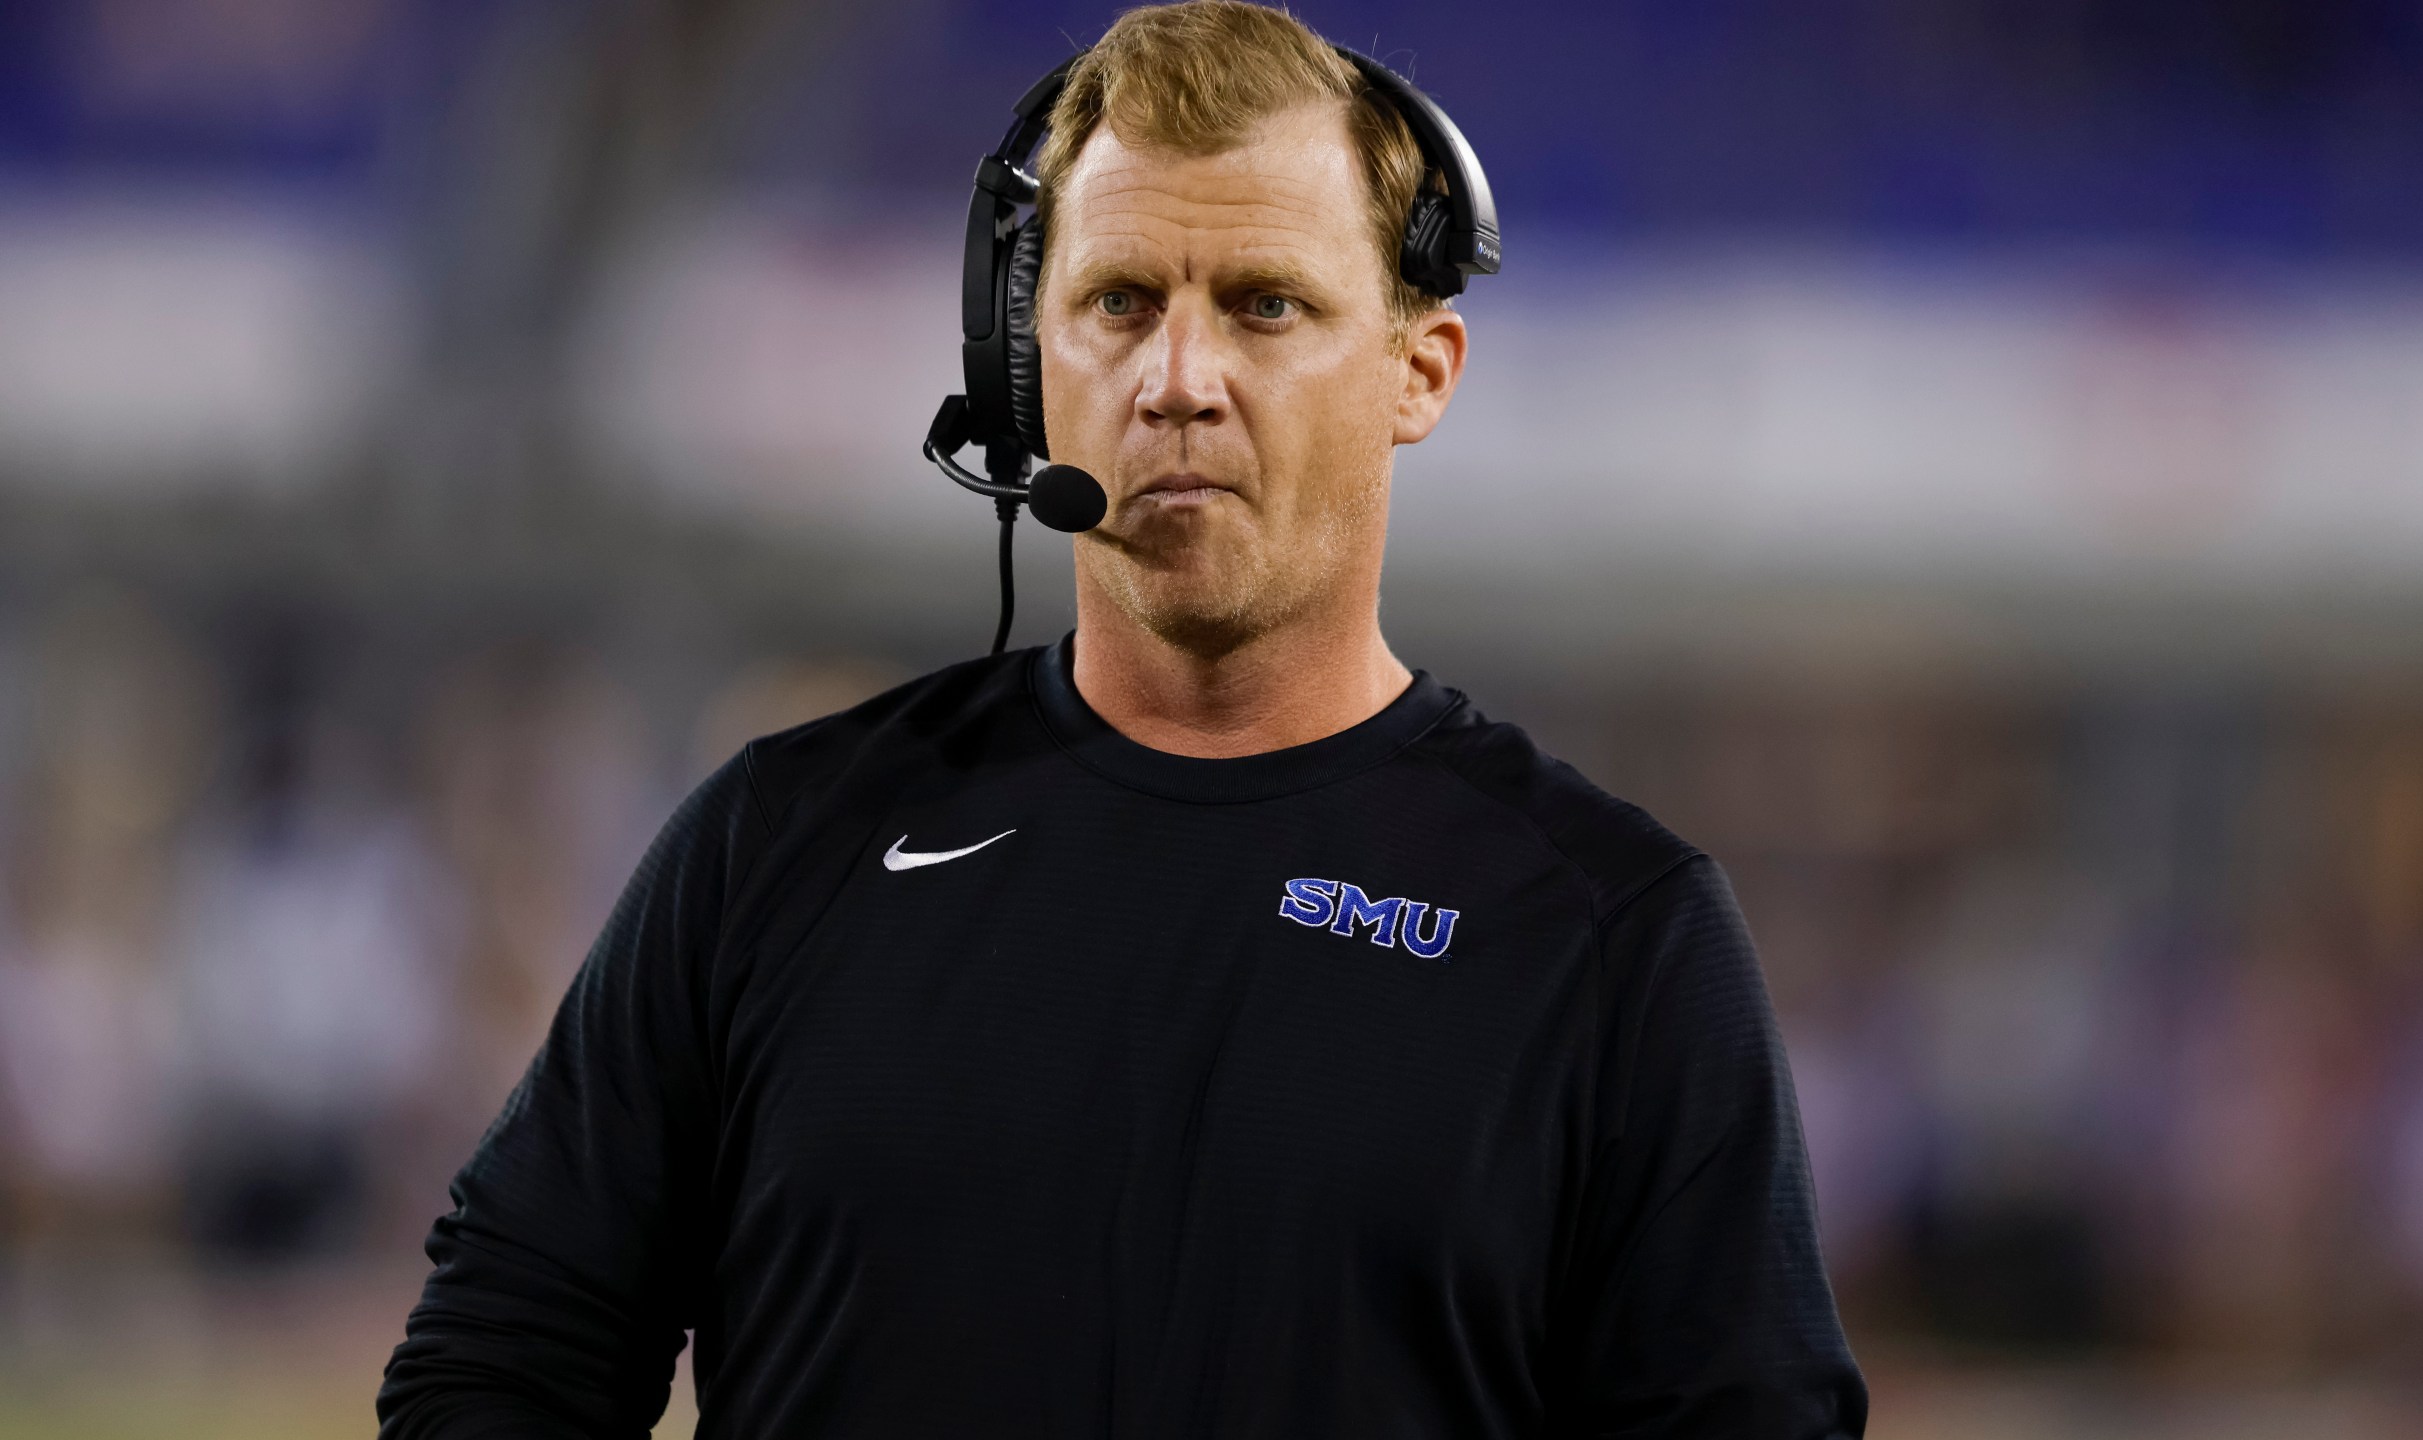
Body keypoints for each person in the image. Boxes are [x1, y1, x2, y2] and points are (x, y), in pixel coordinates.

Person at [377, 4, 1867, 1436]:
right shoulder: (781, 844)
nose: (1179, 382)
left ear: (1420, 372)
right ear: (1025, 368)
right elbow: (500, 1354)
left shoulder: (1612, 935)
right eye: (1119, 303)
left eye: (1266, 307)